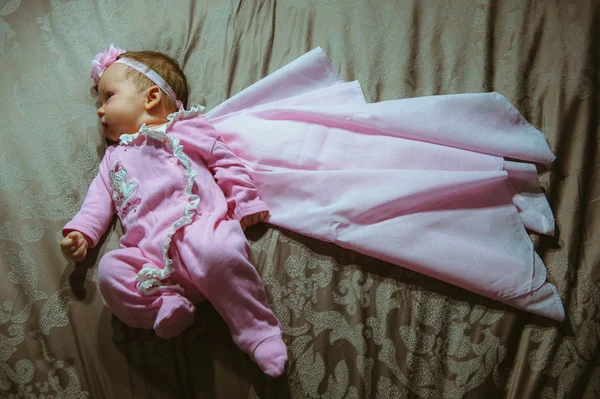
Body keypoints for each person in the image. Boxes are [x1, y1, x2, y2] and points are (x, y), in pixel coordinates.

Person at [60, 44, 287, 377]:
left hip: (201, 230)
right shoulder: (113, 159)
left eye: (108, 97)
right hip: (148, 257)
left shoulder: (187, 128)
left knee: (221, 253)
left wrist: (244, 199)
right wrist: (81, 232)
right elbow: (97, 201)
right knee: (110, 271)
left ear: (151, 98)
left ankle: (258, 334)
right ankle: (165, 306)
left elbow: (225, 161)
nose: (99, 111)